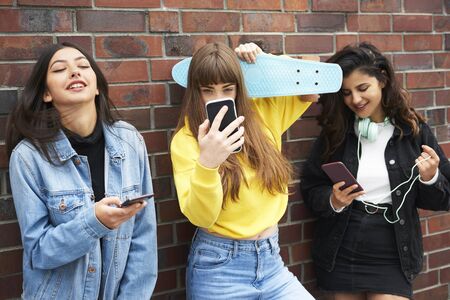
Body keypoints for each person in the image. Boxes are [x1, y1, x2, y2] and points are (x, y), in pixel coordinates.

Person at [6, 42, 157, 299]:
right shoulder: (29, 157)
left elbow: (143, 239)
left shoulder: (129, 141)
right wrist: (94, 222)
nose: (75, 72)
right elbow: (39, 252)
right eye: (60, 69)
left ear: (96, 85)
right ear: (46, 93)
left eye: (83, 66)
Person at [300, 42, 450, 300]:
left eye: (362, 88)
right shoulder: (337, 133)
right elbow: (311, 187)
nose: (355, 100)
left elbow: (444, 198)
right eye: (346, 93)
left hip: (394, 248)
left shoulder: (412, 131)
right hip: (342, 245)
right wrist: (333, 201)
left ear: (382, 79)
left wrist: (431, 177)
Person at [170, 42, 316, 299]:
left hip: (271, 263)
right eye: (208, 90)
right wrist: (208, 163)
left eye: (227, 88)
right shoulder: (187, 140)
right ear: (195, 92)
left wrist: (265, 62)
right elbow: (201, 217)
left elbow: (313, 82)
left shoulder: (263, 114)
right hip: (219, 269)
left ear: (239, 86)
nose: (219, 99)